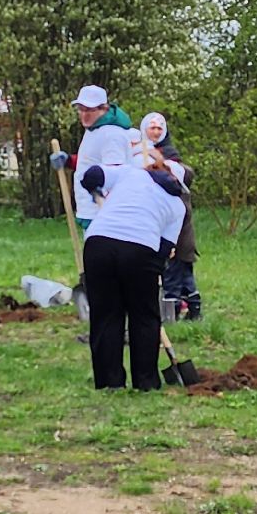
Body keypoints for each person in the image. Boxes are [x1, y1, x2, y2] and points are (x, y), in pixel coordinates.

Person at [77, 149, 187, 390]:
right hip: (139, 249)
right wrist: (152, 272)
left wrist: (96, 192)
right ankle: (145, 382)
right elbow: (165, 249)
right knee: (144, 316)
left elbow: (91, 174)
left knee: (106, 314)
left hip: (98, 244)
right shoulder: (178, 207)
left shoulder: (130, 174)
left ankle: (109, 382)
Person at [142, 112, 202, 321]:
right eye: (152, 128)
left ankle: (174, 309)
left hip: (176, 233)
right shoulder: (136, 153)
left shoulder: (171, 161)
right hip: (170, 230)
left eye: (160, 128)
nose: (156, 132)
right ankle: (193, 308)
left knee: (175, 273)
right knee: (182, 273)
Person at [49, 85, 135, 229]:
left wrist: (104, 207)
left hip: (104, 214)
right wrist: (69, 161)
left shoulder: (112, 134)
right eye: (81, 109)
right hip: (89, 210)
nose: (84, 114)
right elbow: (90, 162)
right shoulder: (94, 129)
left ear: (104, 109)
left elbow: (115, 174)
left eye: (89, 110)